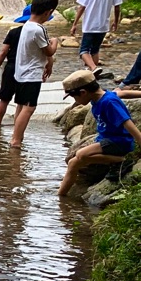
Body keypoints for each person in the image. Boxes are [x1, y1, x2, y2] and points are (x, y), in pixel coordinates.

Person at [58, 68, 141, 196]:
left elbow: (127, 123)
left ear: (83, 92)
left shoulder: (109, 103)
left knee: (81, 154)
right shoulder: (103, 96)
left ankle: (121, 161)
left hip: (118, 142)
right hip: (106, 140)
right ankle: (60, 196)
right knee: (73, 162)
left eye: (74, 97)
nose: (75, 101)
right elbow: (122, 94)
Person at [10, 0, 60, 149]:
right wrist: (56, 41)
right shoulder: (39, 29)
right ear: (48, 12)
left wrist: (49, 62)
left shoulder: (27, 26)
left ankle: (16, 136)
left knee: (20, 105)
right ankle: (16, 141)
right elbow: (49, 51)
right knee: (29, 107)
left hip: (20, 73)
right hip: (31, 75)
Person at [70, 0, 123, 72]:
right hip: (103, 26)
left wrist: (74, 24)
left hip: (90, 25)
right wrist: (116, 22)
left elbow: (82, 7)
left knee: (84, 51)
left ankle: (94, 67)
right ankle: (93, 75)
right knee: (95, 50)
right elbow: (117, 8)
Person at [0, 4, 34, 127]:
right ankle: (17, 124)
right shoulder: (37, 32)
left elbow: (3, 52)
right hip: (26, 69)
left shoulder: (13, 32)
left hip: (11, 67)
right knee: (21, 101)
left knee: (4, 98)